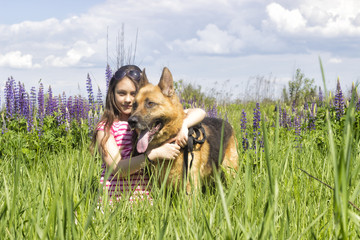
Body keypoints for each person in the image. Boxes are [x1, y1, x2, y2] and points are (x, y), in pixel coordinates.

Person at [92, 65, 206, 204]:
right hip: (113, 201)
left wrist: (184, 125)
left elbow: (200, 112)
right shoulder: (106, 128)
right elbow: (117, 169)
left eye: (133, 94)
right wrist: (153, 155)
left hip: (146, 203)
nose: (128, 100)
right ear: (112, 94)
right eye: (121, 93)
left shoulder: (143, 126)